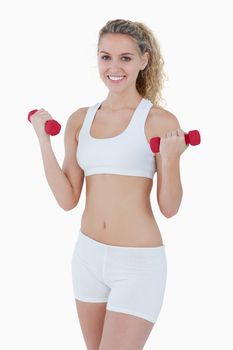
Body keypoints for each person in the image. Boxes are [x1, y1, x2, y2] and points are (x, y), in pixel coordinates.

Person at [31, 18, 188, 350]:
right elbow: (67, 198)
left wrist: (171, 160)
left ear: (144, 61)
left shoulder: (158, 121)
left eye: (125, 58)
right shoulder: (79, 119)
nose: (113, 67)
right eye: (106, 57)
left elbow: (170, 208)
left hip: (137, 264)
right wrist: (43, 142)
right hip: (87, 256)